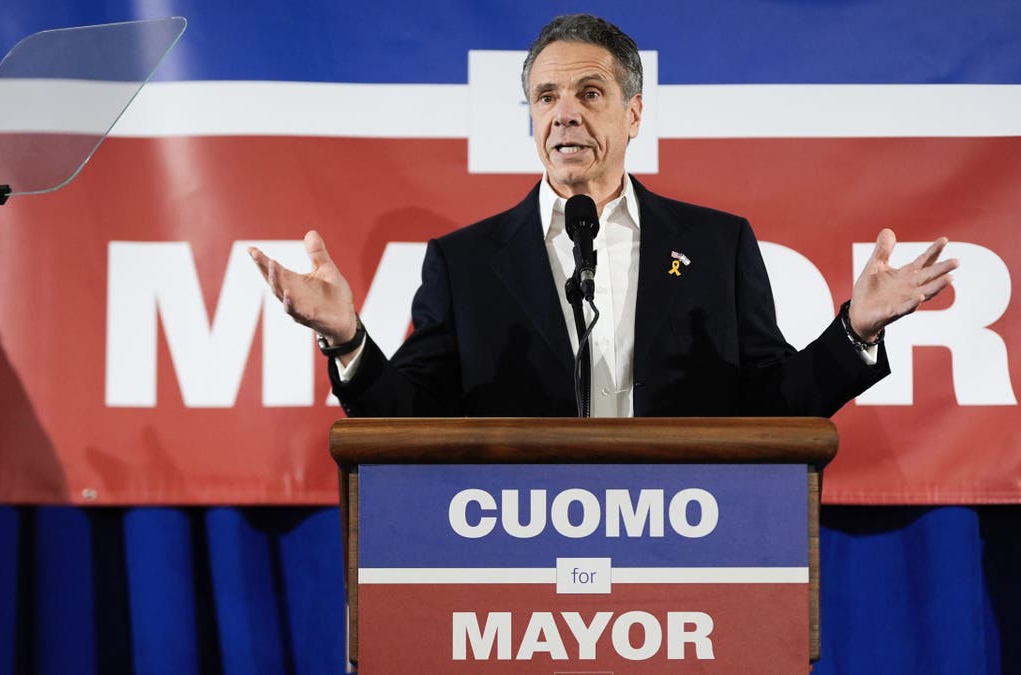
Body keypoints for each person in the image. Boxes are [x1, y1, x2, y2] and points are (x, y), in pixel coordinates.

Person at [249, 13, 956, 418]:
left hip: (687, 551)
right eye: (547, 95)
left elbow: (774, 406)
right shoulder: (463, 264)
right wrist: (348, 341)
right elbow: (408, 418)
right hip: (516, 562)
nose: (564, 113)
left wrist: (854, 330)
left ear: (634, 112)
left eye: (590, 92)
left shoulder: (717, 245)